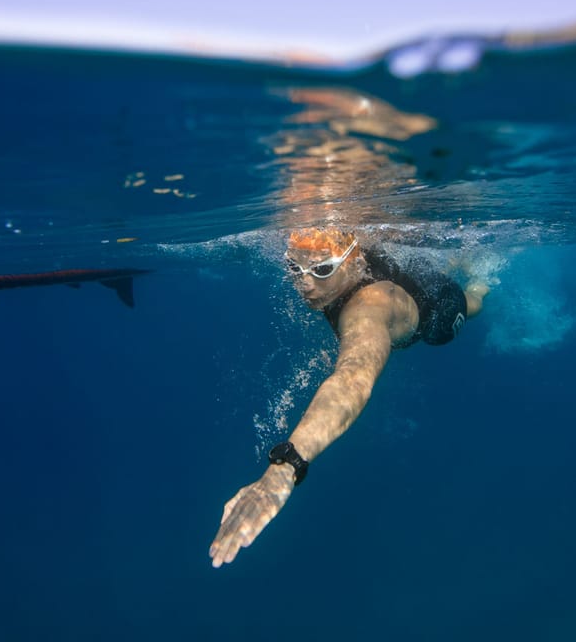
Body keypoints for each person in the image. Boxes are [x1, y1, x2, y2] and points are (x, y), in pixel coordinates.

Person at [209, 227, 487, 567]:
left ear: (353, 265)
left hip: (434, 308)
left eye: (322, 270)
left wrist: (284, 469)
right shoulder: (343, 254)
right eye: (295, 268)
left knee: (471, 301)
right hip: (396, 271)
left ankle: (480, 278)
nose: (305, 283)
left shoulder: (367, 311)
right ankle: (456, 257)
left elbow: (353, 379)